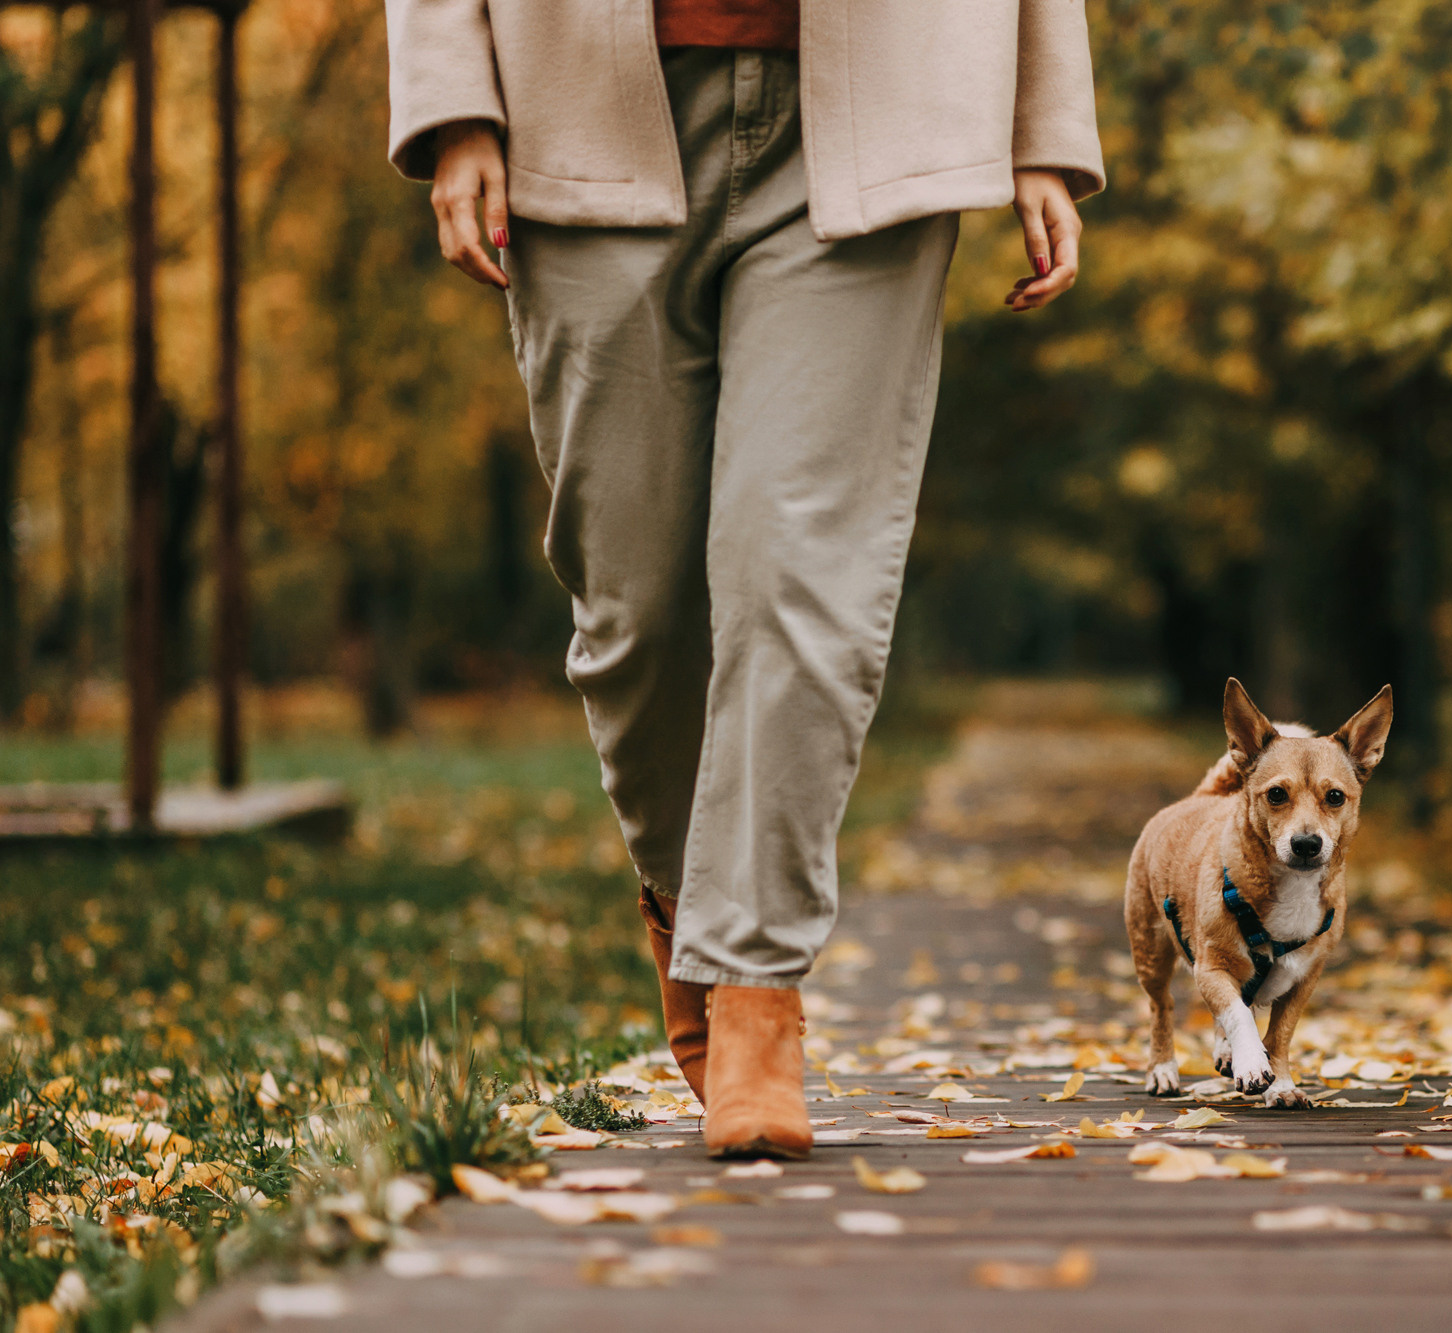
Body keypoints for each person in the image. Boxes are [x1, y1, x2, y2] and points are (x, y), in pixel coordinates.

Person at [385, 0, 1103, 1160]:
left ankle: (755, 984)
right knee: (640, 613)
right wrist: (452, 105)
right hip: (576, 102)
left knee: (796, 571)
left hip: (884, 104)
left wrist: (1041, 122)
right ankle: (688, 919)